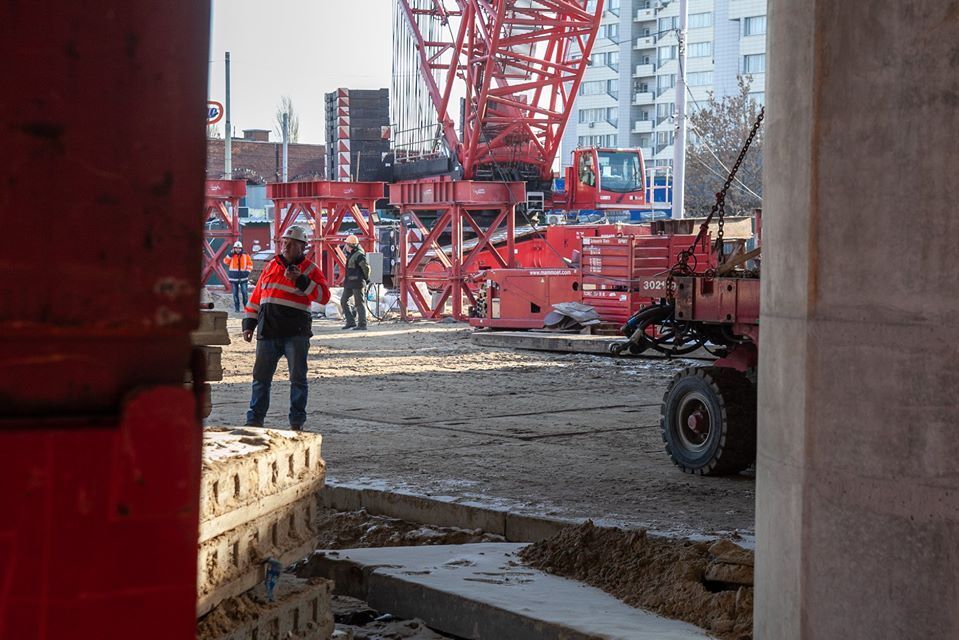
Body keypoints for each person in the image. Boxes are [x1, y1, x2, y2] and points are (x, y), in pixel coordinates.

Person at [242, 225, 330, 430]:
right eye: (284, 243)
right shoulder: (271, 266)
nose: (286, 247)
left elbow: (323, 297)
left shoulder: (310, 270)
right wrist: (249, 323)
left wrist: (300, 280)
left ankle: (296, 422)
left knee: (298, 379)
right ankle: (254, 420)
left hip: (295, 333)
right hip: (268, 331)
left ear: (302, 247)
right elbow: (257, 298)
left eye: (291, 244)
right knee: (260, 379)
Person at [340, 234, 371, 331]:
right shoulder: (352, 254)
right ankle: (351, 322)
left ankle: (362, 324)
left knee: (359, 303)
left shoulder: (359, 255)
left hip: (357, 282)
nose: (346, 246)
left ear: (352, 245)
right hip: (349, 282)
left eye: (347, 244)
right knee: (343, 301)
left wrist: (366, 278)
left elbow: (366, 268)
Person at [223, 240, 254, 312]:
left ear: (241, 248)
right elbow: (225, 262)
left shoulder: (246, 255)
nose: (237, 249)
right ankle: (237, 309)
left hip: (243, 278)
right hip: (234, 278)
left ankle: (246, 309)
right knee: (235, 295)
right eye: (236, 248)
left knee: (245, 294)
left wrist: (247, 272)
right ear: (234, 248)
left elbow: (250, 264)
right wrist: (230, 255)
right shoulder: (231, 255)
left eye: (239, 248)